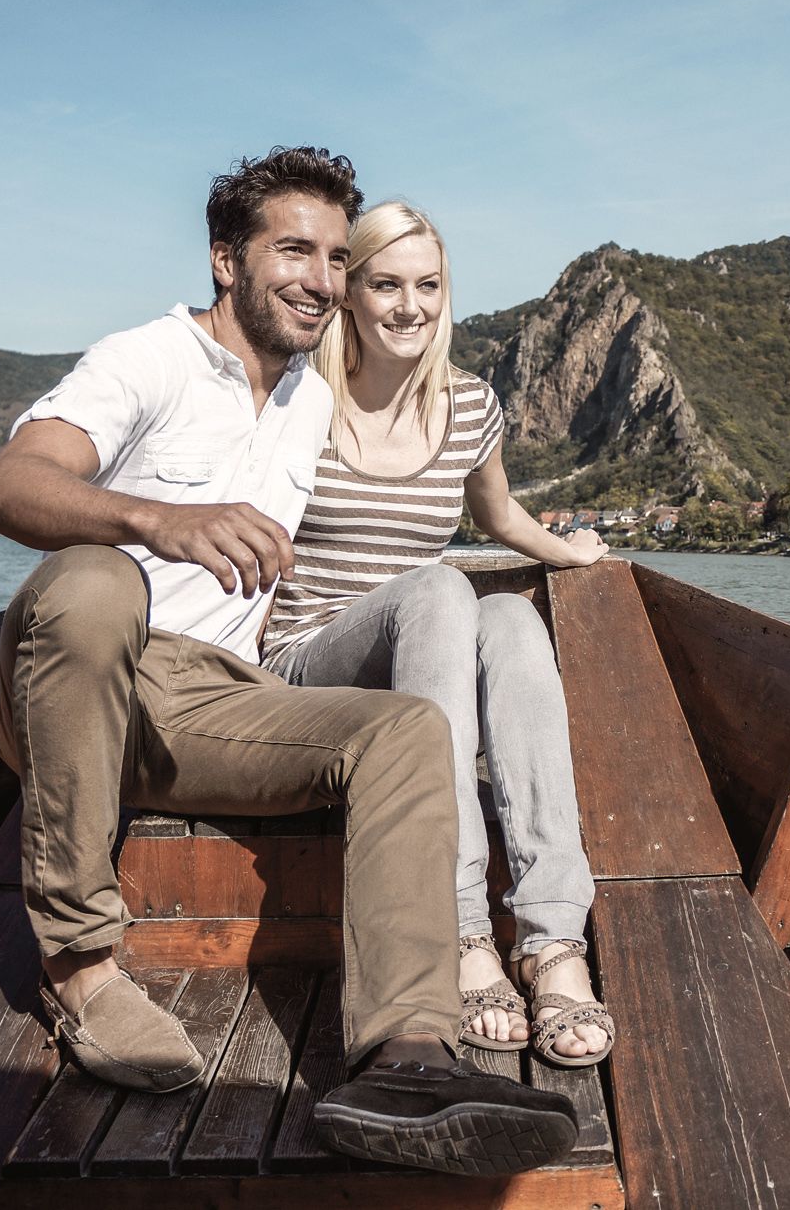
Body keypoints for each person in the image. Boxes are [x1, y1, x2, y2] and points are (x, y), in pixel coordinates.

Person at [0, 148, 576, 1175]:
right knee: (96, 580)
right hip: (83, 672)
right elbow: (6, 485)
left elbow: (432, 485)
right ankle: (80, 968)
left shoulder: (308, 395)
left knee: (404, 729)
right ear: (226, 260)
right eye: (294, 250)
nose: (321, 278)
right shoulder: (146, 360)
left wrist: (555, 552)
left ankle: (409, 1054)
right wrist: (156, 520)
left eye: (336, 257)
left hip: (213, 700)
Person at [260, 202, 614, 1067]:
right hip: (309, 664)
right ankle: (457, 928)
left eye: (427, 285)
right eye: (386, 284)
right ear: (350, 291)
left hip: (428, 653)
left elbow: (497, 514)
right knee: (440, 587)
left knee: (513, 617)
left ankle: (551, 937)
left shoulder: (470, 406)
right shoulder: (297, 397)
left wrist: (567, 551)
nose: (409, 305)